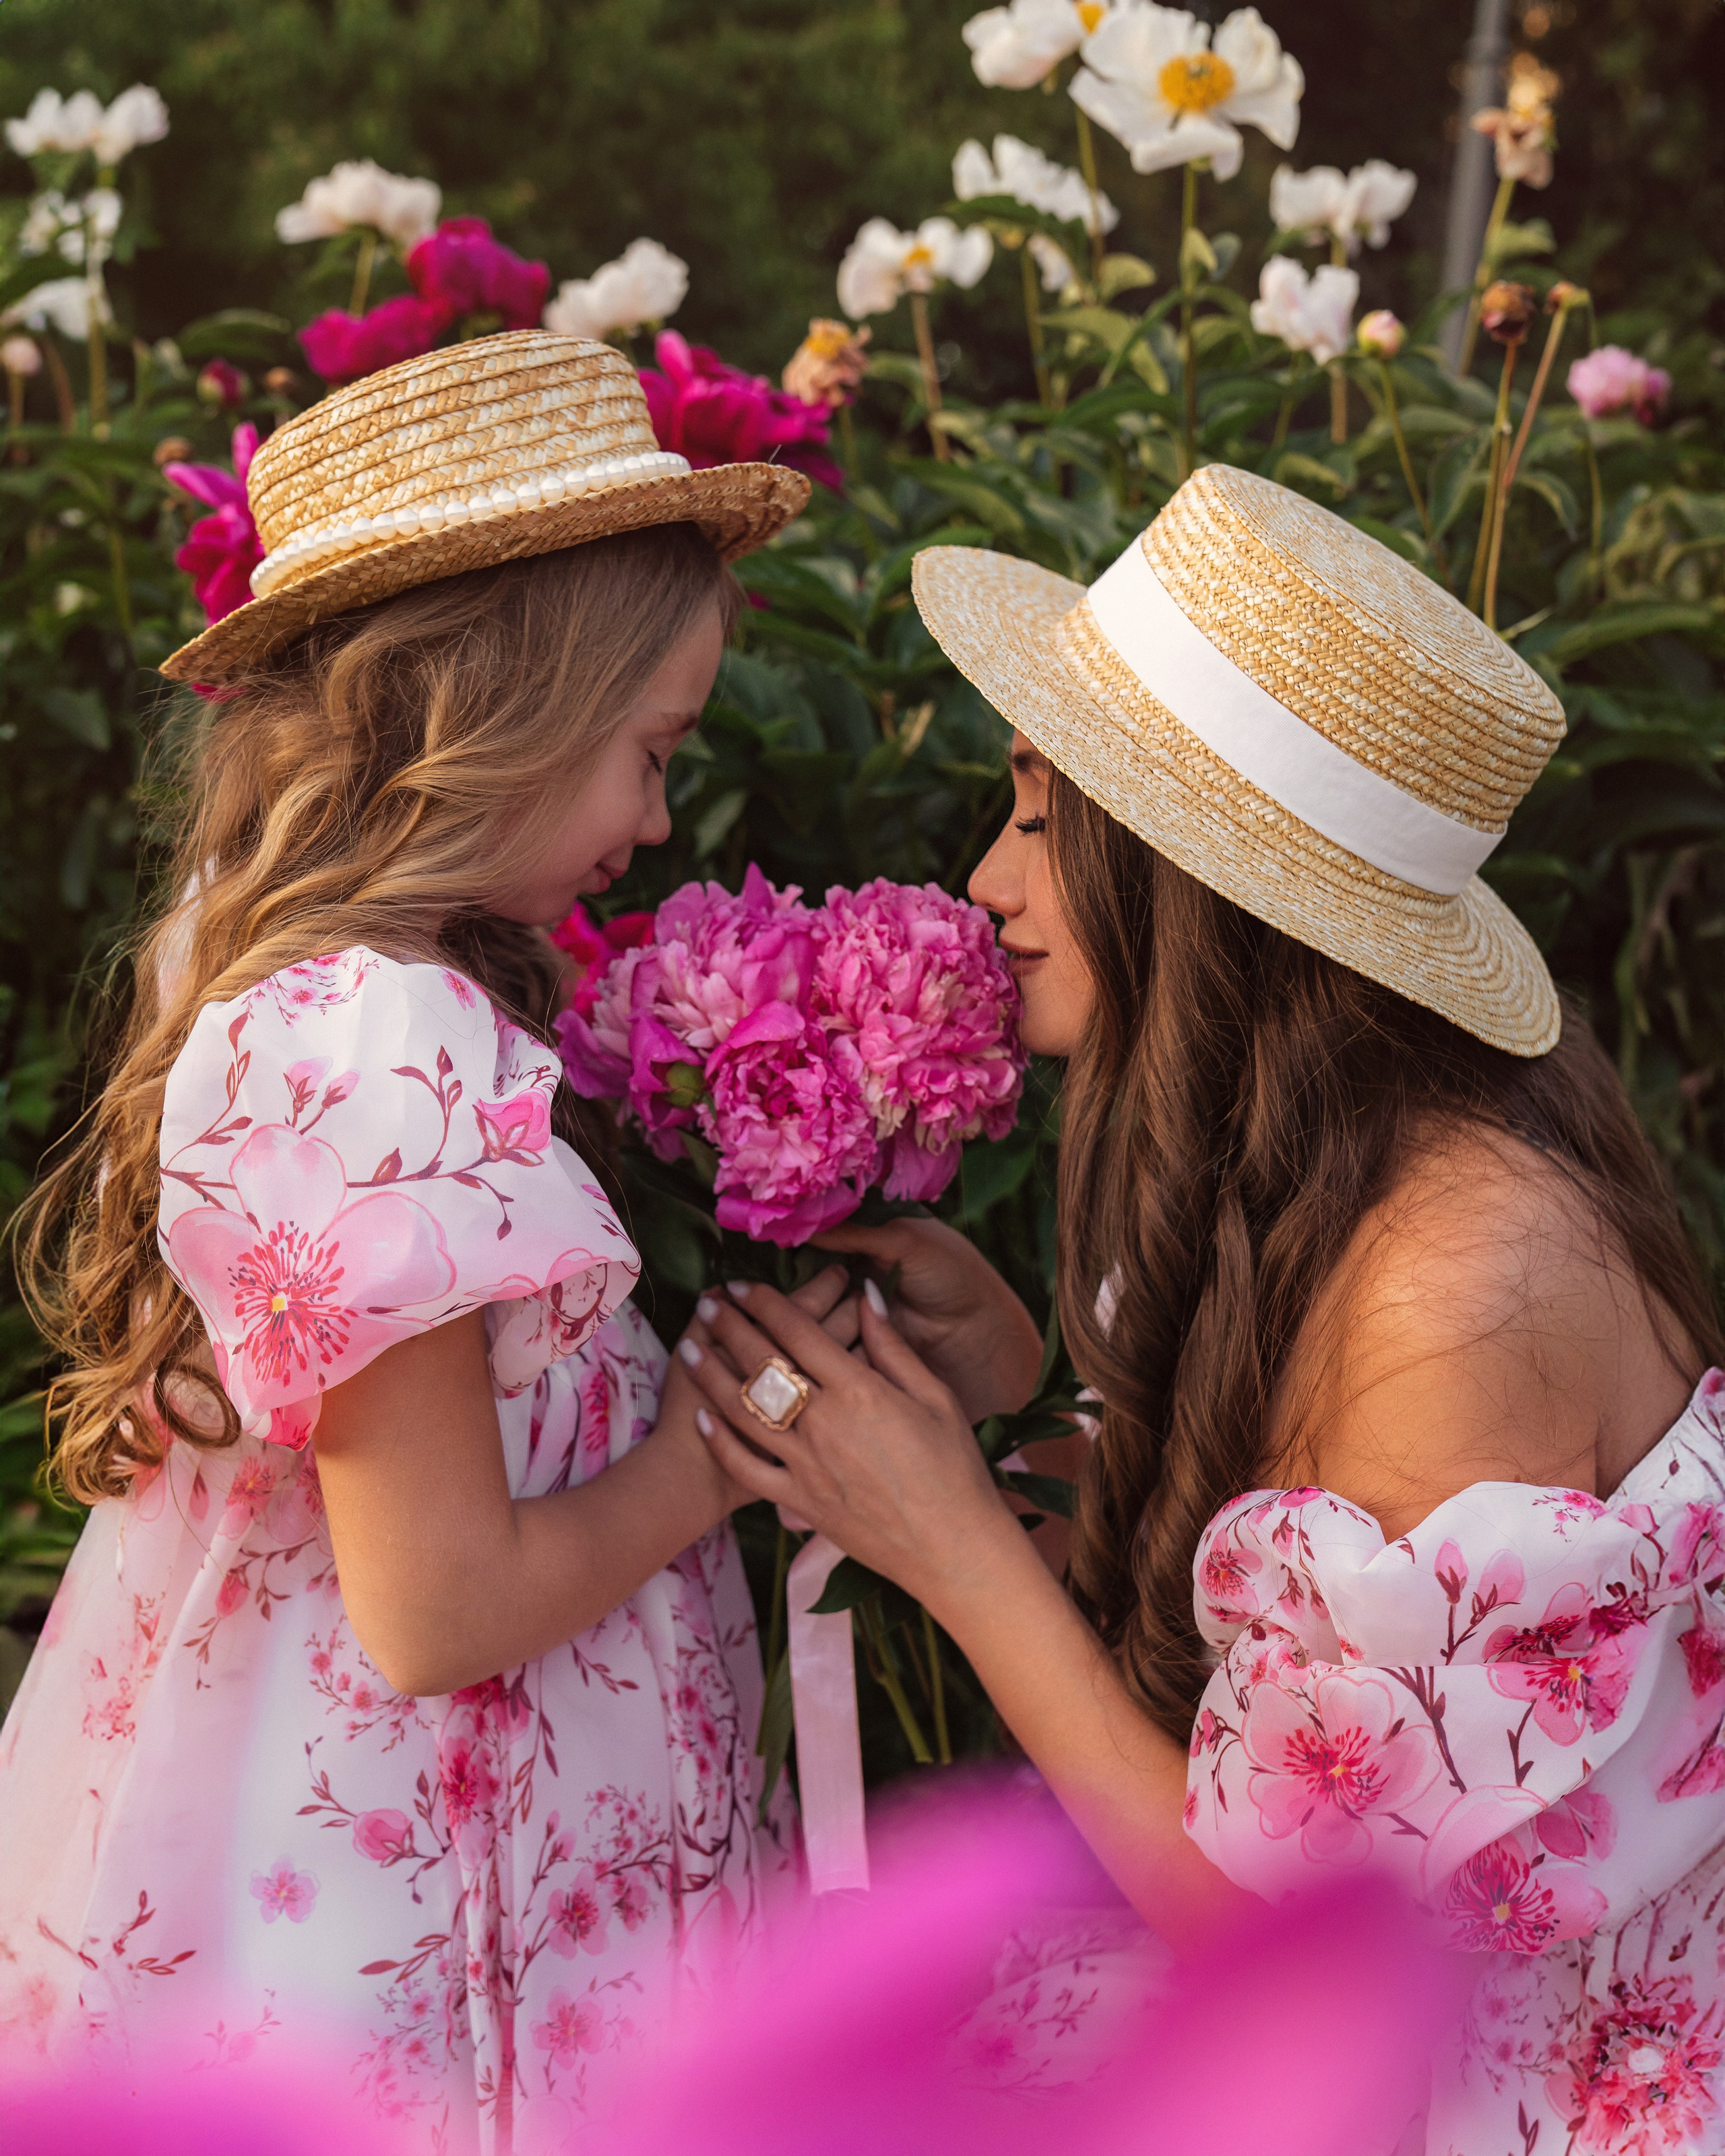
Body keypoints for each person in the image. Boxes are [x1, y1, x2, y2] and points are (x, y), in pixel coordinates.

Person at [679, 464, 1725, 2151]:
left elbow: (1301, 1963)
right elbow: (1325, 1641)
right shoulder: (1382, 1166)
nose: (987, 882)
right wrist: (1029, 1400)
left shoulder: (1455, 1289)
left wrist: (953, 1546)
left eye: (1037, 816)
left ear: (1185, 872)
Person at [0, 331, 831, 2150]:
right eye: (649, 751)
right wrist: (716, 1458)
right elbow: (438, 1608)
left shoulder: (312, 992)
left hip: (329, 1833)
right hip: (444, 1897)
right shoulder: (390, 1047)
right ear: (503, 715)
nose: (659, 819)